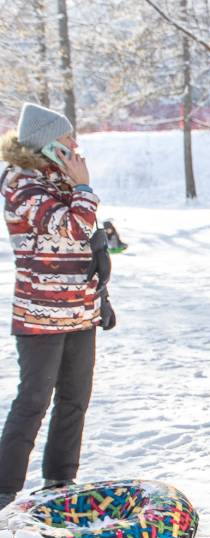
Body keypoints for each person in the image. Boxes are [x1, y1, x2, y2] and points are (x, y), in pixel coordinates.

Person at [0, 103, 117, 511]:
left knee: (74, 400)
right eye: (69, 139)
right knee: (33, 401)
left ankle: (59, 481)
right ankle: (4, 489)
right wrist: (84, 188)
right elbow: (72, 225)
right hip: (41, 316)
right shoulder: (21, 185)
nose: (76, 145)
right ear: (50, 144)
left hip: (79, 313)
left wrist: (100, 293)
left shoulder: (62, 181)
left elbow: (87, 238)